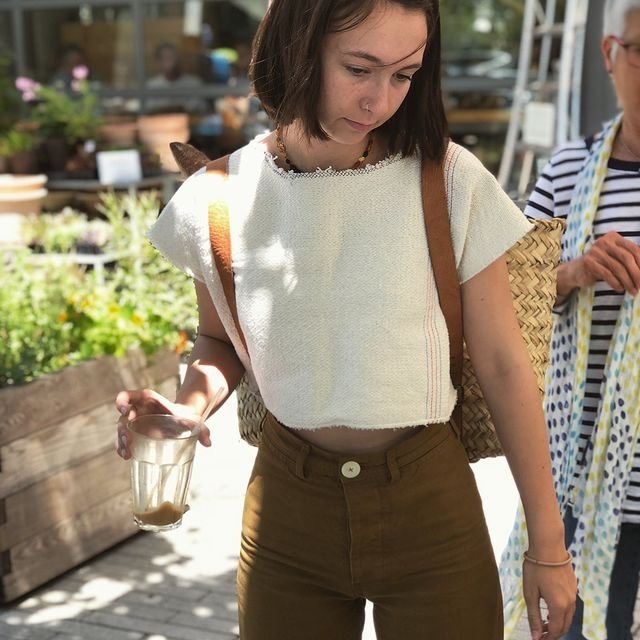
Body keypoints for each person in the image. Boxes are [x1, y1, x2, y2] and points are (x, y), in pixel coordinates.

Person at [116, 1, 576, 638]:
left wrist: (548, 547)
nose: (378, 100)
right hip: (286, 512)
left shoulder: (448, 179)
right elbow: (219, 338)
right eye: (359, 68)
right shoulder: (217, 197)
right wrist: (187, 407)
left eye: (404, 74)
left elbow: (503, 365)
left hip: (430, 506)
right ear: (297, 47)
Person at [500, 1, 640, 638]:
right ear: (610, 54)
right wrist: (578, 269)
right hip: (582, 477)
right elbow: (510, 295)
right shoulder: (567, 171)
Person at [145, 42, 207, 113]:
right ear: (158, 62)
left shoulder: (194, 83)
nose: (171, 62)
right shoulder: (151, 86)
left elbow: (201, 108)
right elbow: (148, 108)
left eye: (173, 57)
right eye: (166, 58)